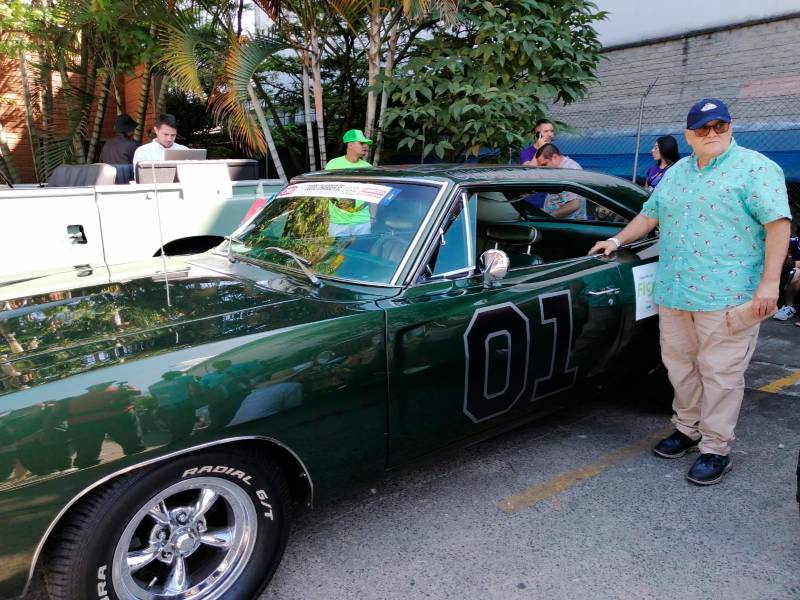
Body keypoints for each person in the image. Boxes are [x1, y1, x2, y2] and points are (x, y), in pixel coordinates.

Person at [589, 98, 791, 486]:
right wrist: (615, 239)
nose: (712, 134)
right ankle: (687, 428)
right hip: (676, 291)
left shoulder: (756, 168)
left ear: (731, 128)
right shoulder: (679, 171)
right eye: (703, 128)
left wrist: (769, 284)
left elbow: (777, 226)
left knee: (721, 374)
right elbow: (650, 214)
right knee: (680, 367)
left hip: (729, 295)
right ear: (689, 135)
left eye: (720, 126)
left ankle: (715, 448)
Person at [325, 129, 373, 235]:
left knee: (360, 251)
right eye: (361, 143)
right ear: (350, 144)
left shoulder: (368, 167)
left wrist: (372, 217)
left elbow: (373, 195)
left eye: (366, 144)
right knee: (337, 252)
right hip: (338, 222)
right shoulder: (333, 165)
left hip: (363, 221)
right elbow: (325, 193)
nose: (366, 146)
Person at [535, 143, 586, 219]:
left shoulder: (569, 171)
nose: (542, 169)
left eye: (544, 165)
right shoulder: (562, 168)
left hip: (568, 225)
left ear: (554, 157)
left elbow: (574, 205)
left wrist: (548, 218)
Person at [773, 235, 800, 321]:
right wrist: (787, 254)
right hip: (795, 279)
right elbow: (780, 242)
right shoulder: (795, 241)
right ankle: (789, 307)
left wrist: (793, 263)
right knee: (795, 272)